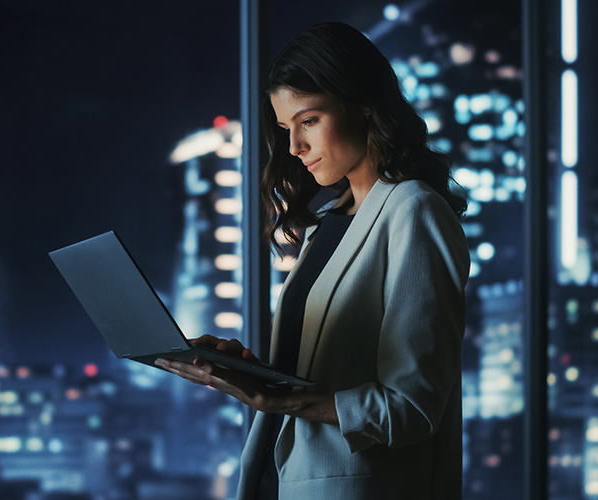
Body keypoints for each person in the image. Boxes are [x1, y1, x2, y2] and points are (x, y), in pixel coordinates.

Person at [156, 22, 470, 500]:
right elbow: (328, 373)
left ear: (363, 104)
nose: (294, 148)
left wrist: (282, 398)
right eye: (285, 129)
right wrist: (253, 373)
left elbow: (412, 407)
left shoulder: (414, 210)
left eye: (308, 121)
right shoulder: (327, 224)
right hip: (279, 478)